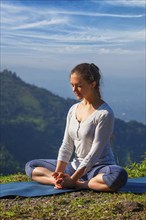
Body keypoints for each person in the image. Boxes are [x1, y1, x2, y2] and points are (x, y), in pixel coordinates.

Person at [25, 63, 128, 191]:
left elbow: (94, 154)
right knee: (31, 166)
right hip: (75, 166)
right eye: (72, 85)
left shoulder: (105, 114)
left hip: (98, 168)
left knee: (118, 176)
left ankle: (79, 184)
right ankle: (59, 182)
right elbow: (66, 145)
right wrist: (58, 174)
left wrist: (73, 180)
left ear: (93, 84)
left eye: (79, 86)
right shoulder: (73, 109)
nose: (74, 89)